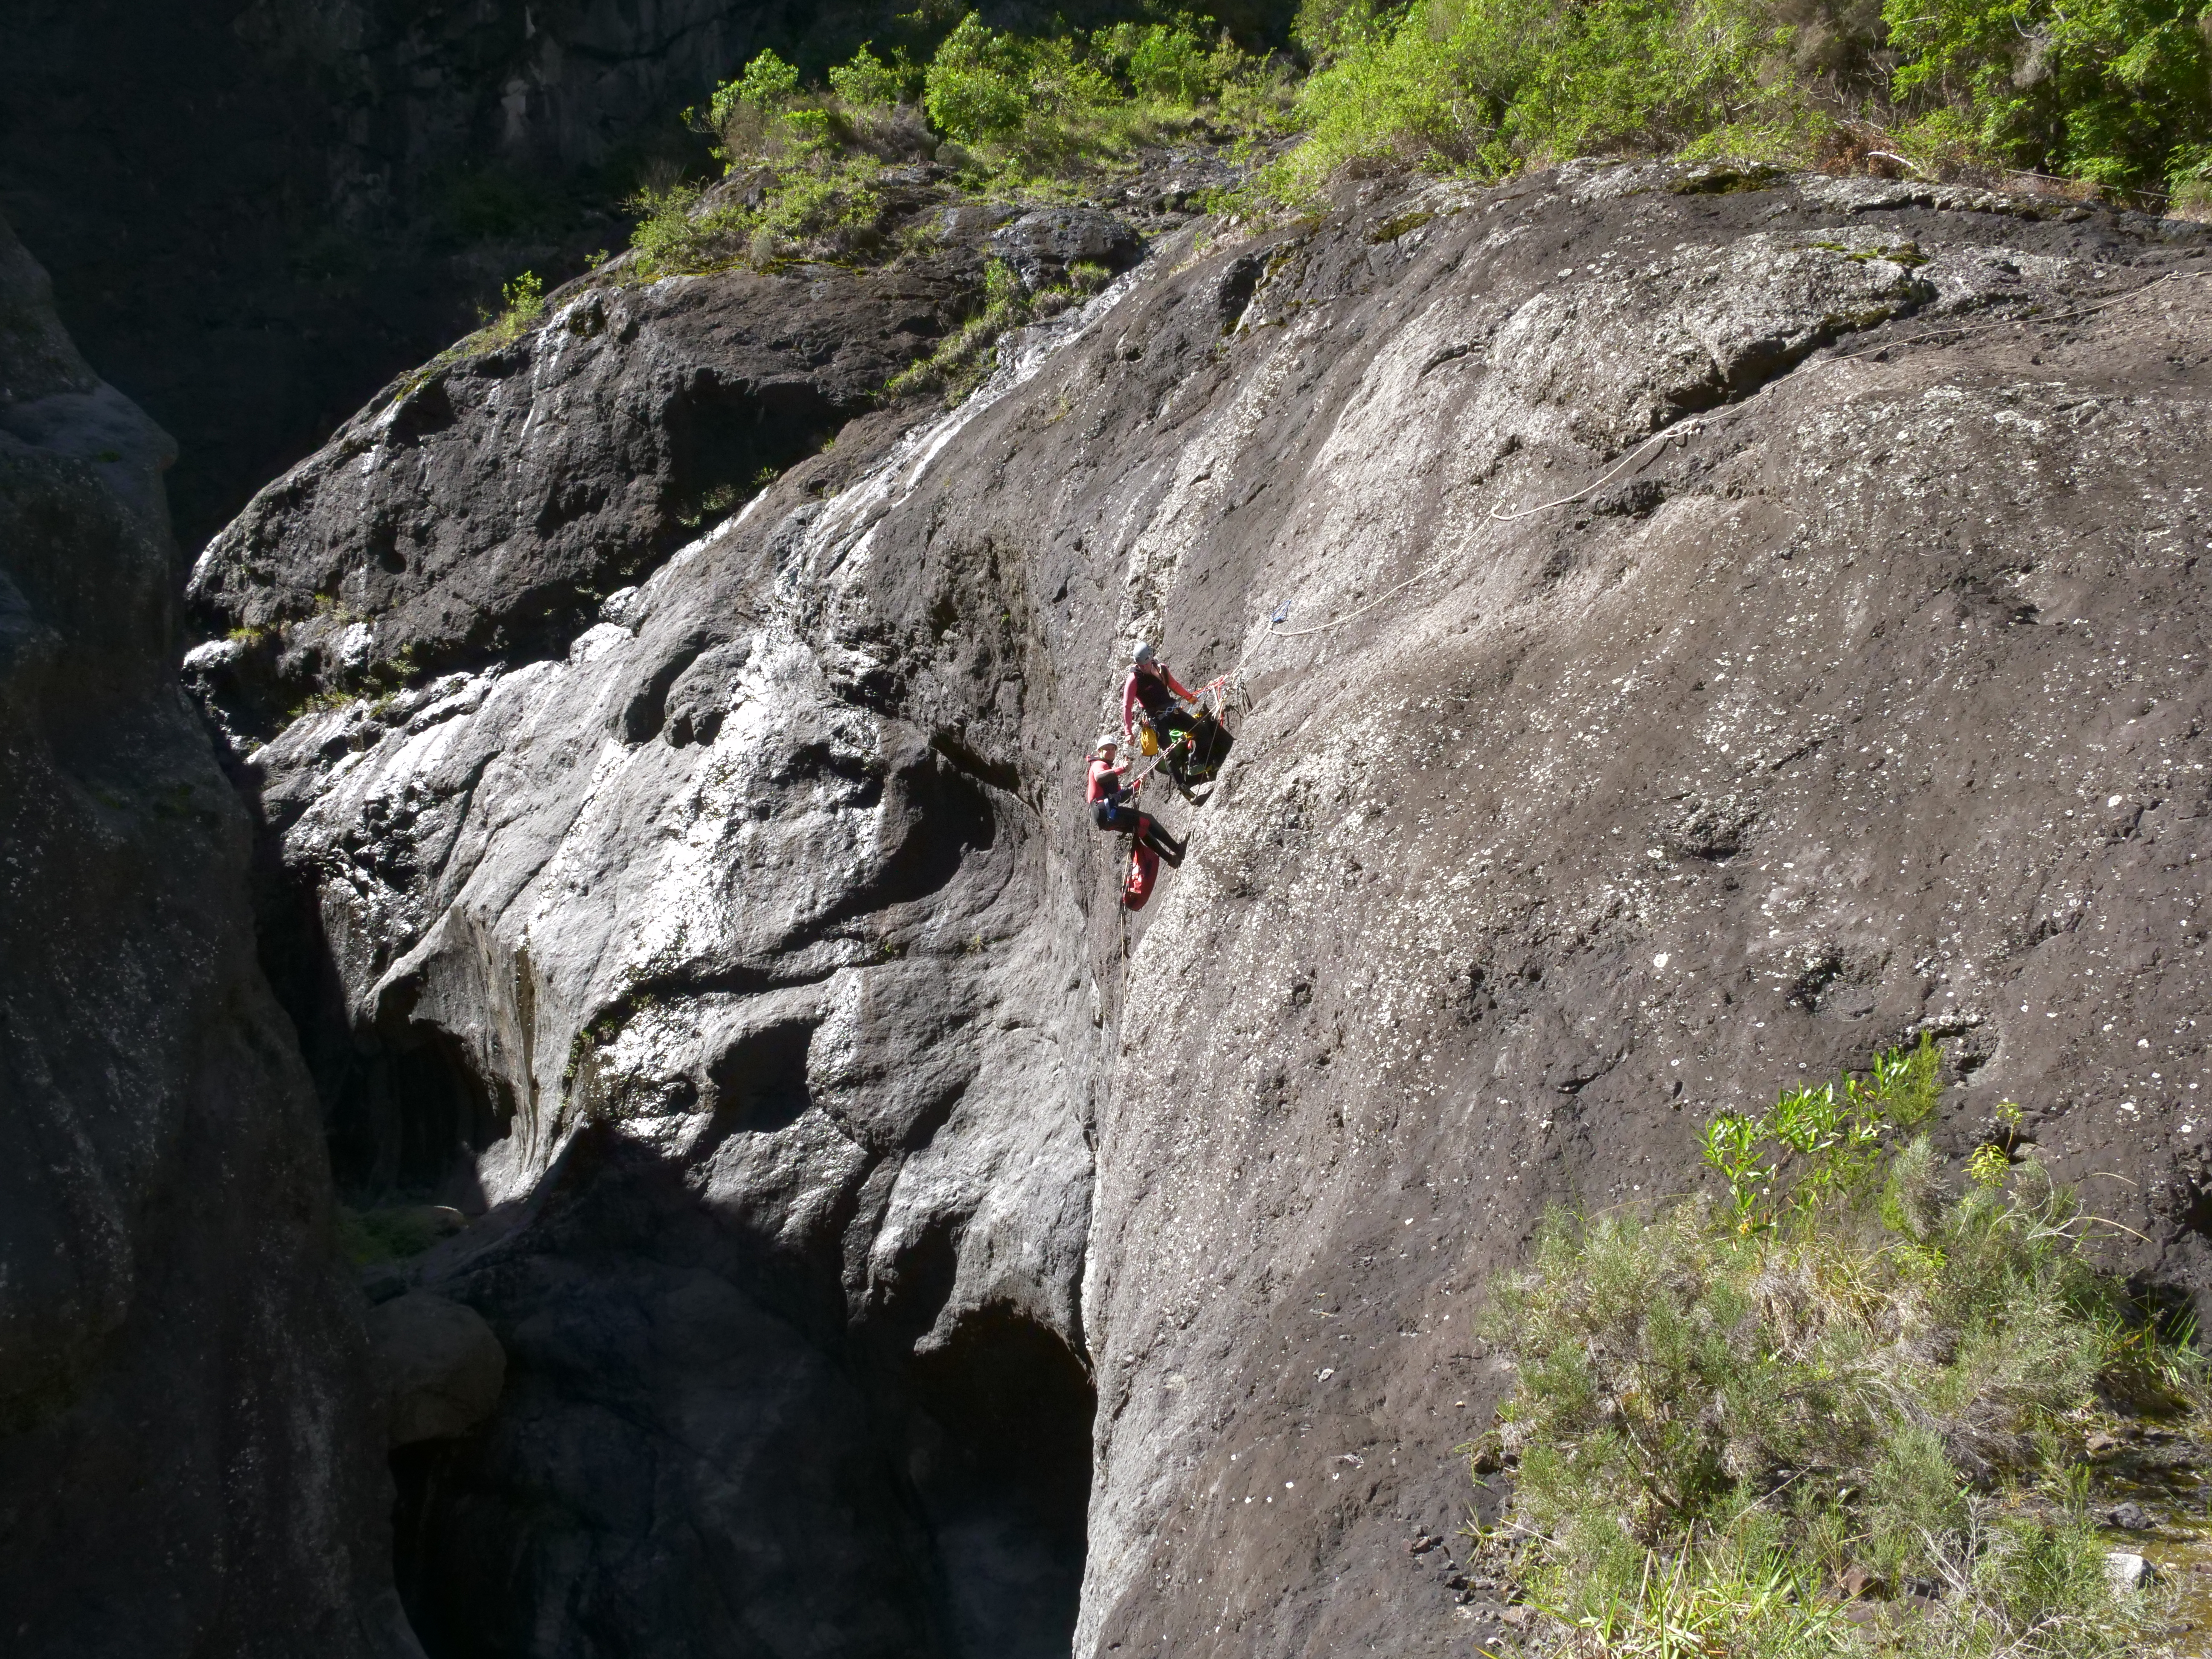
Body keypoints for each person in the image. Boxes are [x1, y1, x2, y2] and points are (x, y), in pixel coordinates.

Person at [1086, 738, 1183, 866]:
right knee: (1147, 821)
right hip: (1106, 812)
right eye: (1107, 749)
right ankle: (1178, 849)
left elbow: (1121, 796)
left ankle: (1171, 860)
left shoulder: (1108, 772)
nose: (1111, 752)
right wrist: (1122, 769)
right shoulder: (1099, 764)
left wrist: (1138, 783)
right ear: (1099, 751)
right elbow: (1099, 777)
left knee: (1141, 829)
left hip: (1105, 815)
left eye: (1113, 749)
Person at [1121, 642, 1200, 748]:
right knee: (1169, 751)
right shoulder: (1134, 680)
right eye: (1141, 665)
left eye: (1146, 663)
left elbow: (1175, 686)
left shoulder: (1161, 670)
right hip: (1156, 720)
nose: (1144, 667)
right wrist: (1128, 732)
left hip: (1172, 712)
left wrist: (1189, 697)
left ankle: (1204, 762)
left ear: (1151, 658)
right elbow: (1127, 706)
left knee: (1200, 729)